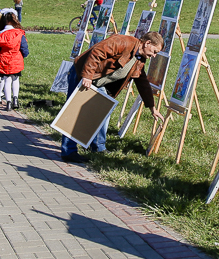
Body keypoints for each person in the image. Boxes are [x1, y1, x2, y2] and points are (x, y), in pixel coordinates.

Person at [59, 32, 165, 163]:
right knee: (75, 112)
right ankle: (68, 151)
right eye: (154, 51)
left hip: (98, 82)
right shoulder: (123, 42)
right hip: (83, 73)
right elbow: (97, 52)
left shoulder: (139, 59)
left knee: (104, 109)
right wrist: (87, 75)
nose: (154, 56)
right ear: (147, 43)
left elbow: (142, 83)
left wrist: (152, 107)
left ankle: (98, 146)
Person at [0, 12, 28, 110]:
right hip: (16, 58)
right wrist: (23, 55)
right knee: (16, 79)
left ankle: (8, 101)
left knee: (6, 80)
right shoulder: (19, 33)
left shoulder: (0, 34)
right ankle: (15, 99)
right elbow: (24, 47)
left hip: (4, 59)